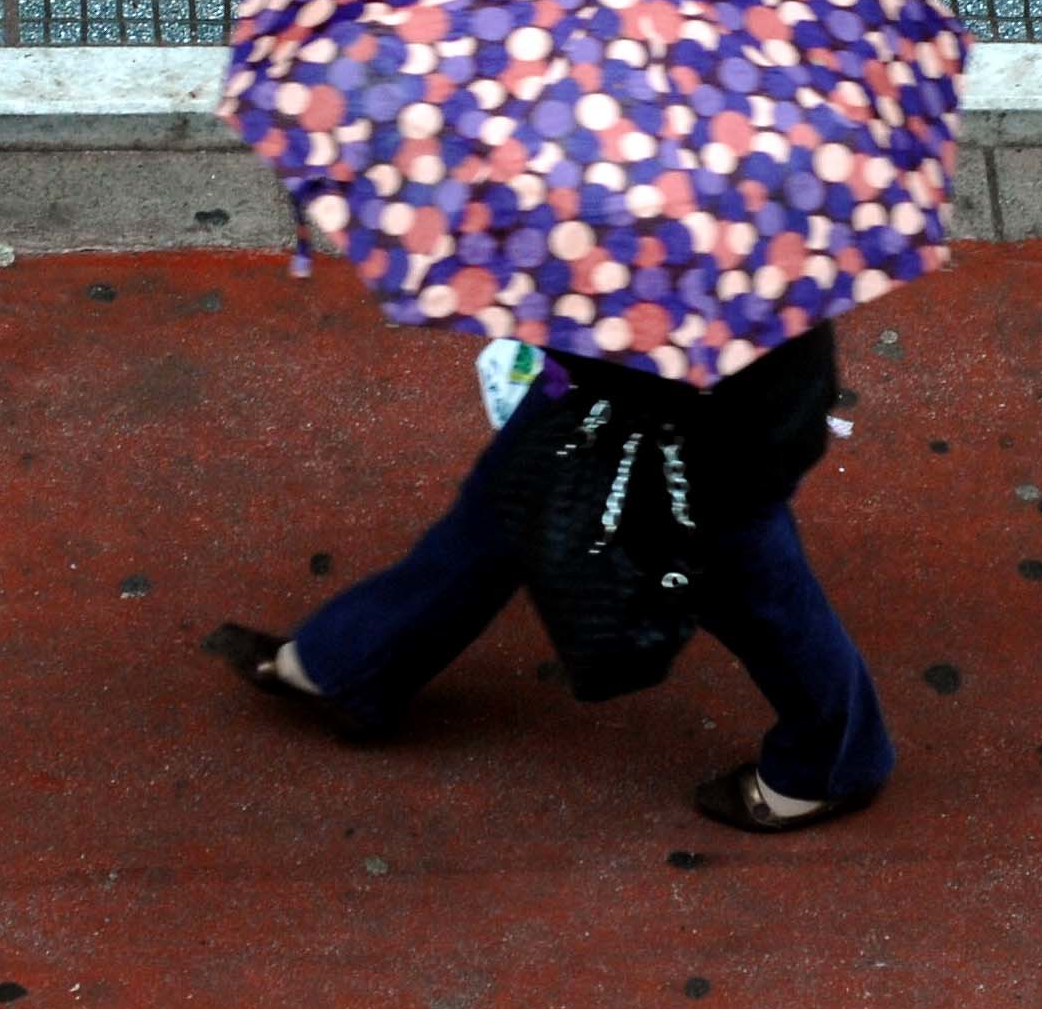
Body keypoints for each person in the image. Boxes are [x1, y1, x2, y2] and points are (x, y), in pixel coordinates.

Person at [209, 320, 893, 833]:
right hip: (652, 386)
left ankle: (830, 760)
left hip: (702, 430)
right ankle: (355, 660)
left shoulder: (667, 190)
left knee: (750, 587)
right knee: (503, 504)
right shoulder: (756, 171)